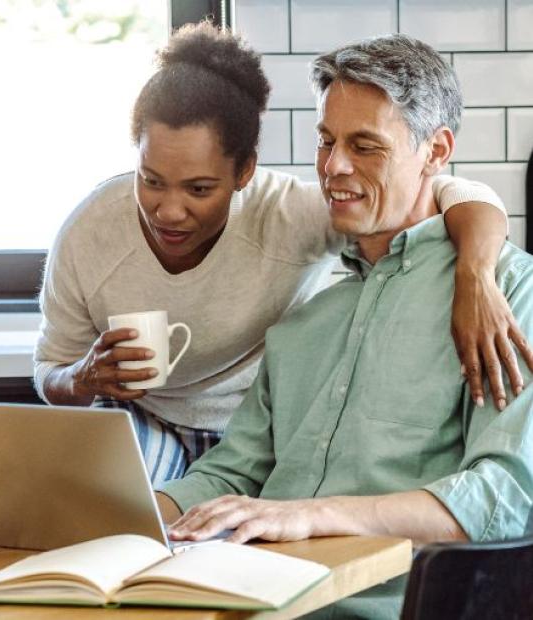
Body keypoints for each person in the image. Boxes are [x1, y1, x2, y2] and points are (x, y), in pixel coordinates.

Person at [34, 23, 528, 487]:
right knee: (95, 509)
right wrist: (83, 378)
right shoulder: (90, 234)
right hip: (152, 421)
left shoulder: (292, 215)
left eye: (200, 188)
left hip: (251, 432)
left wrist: (477, 273)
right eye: (151, 180)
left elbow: (452, 192)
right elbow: (48, 369)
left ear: (245, 172)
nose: (169, 211)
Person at [156, 33, 533, 619]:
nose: (333, 167)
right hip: (246, 601)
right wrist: (135, 508)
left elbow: (504, 496)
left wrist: (314, 513)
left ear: (436, 152)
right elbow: (234, 470)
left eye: (365, 146)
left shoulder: (506, 292)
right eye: (326, 140)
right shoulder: (306, 316)